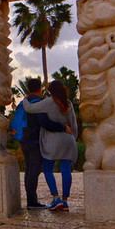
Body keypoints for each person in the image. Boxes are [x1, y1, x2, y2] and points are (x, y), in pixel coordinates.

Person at [23, 80, 77, 211]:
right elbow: (73, 124)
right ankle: (65, 201)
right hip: (68, 141)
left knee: (48, 169)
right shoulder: (68, 104)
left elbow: (29, 108)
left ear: (51, 91)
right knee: (66, 169)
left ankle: (56, 198)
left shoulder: (48, 102)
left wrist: (25, 99)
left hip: (52, 141)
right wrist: (73, 137)